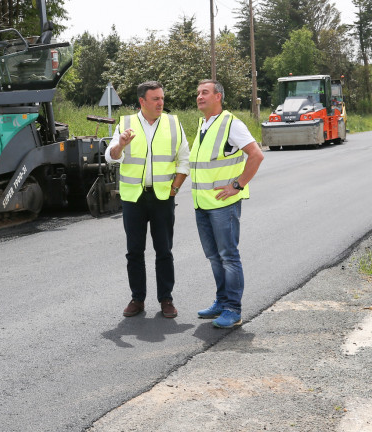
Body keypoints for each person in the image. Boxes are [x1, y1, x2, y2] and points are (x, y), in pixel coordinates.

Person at [106, 81, 189, 318]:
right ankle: (137, 299)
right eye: (155, 99)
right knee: (134, 252)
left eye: (162, 98)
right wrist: (120, 145)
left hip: (163, 197)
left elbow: (184, 159)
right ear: (142, 101)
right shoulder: (126, 123)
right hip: (134, 198)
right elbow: (111, 157)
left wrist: (174, 189)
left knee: (164, 251)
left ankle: (166, 300)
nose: (161, 103)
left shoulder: (173, 123)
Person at [189, 79, 264, 329]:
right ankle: (221, 302)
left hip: (223, 204)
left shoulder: (232, 124)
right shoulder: (203, 124)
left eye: (205, 92)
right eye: (198, 93)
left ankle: (233, 309)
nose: (200, 97)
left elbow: (256, 154)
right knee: (214, 256)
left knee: (228, 256)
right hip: (203, 204)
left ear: (218, 96)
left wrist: (238, 184)